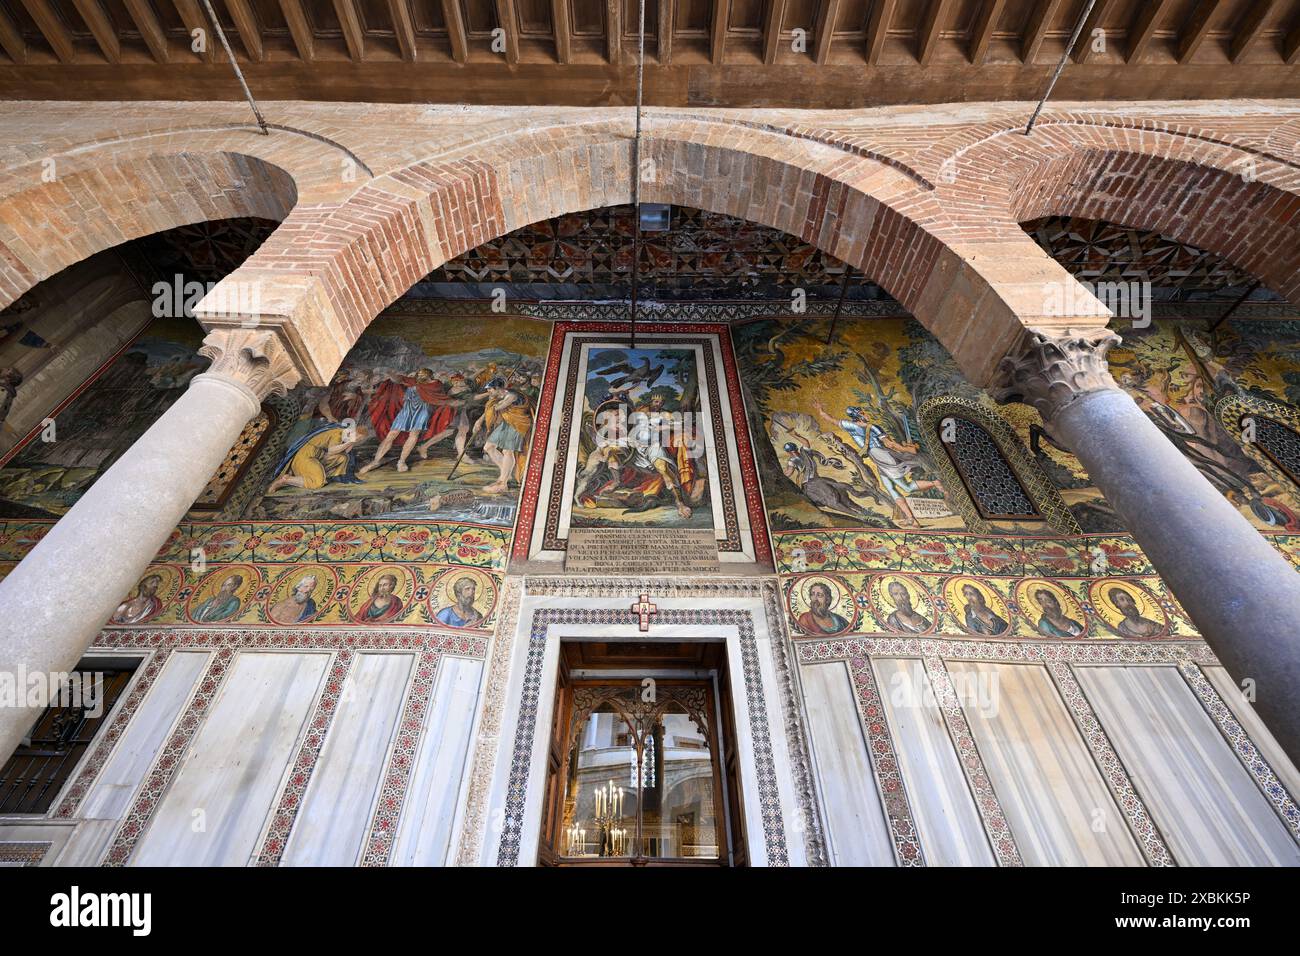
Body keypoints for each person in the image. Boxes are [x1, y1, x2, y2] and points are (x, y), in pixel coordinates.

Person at [359, 369, 459, 476]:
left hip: (421, 411)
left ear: (429, 376)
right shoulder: (413, 381)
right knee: (391, 435)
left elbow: (437, 396)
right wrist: (390, 373)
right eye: (418, 376)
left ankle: (401, 461)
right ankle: (376, 461)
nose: (419, 378)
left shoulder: (435, 384)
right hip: (406, 411)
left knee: (413, 435)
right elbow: (399, 380)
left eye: (422, 376)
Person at [267, 422, 368, 493]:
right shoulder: (338, 433)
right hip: (305, 457)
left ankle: (324, 475)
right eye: (358, 437)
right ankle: (286, 480)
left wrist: (352, 443)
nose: (357, 440)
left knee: (343, 458)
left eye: (359, 440)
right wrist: (351, 441)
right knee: (317, 483)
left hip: (316, 457)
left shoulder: (346, 435)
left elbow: (344, 452)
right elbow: (332, 450)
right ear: (353, 431)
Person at [474, 378, 532, 495]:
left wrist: (492, 401)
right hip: (507, 422)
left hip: (517, 423)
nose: (489, 391)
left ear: (498, 389)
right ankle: (506, 473)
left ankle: (502, 483)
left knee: (507, 451)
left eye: (490, 389)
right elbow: (490, 409)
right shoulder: (499, 396)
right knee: (488, 447)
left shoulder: (511, 396)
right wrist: (479, 421)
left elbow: (496, 408)